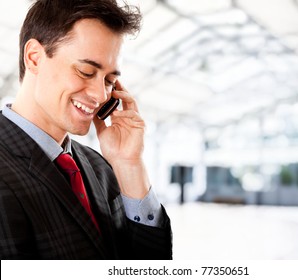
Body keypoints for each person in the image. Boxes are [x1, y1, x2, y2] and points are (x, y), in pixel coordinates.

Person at [0, 0, 172, 259]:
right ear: (34, 57)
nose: (101, 94)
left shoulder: (100, 168)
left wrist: (129, 166)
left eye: (110, 80)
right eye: (86, 71)